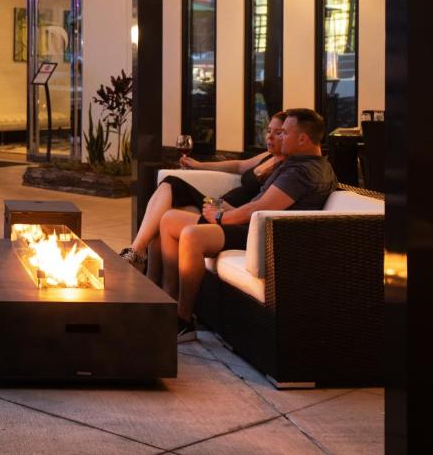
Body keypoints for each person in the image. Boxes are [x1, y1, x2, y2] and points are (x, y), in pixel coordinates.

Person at [159, 108, 338, 342]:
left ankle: (183, 321)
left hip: (266, 236)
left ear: (303, 139)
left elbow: (260, 208)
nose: (279, 137)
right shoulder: (300, 163)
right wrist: (227, 210)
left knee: (193, 235)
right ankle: (168, 302)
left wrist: (221, 217)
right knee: (169, 219)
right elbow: (257, 200)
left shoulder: (303, 172)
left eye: (284, 133)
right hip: (255, 226)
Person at [119, 112, 288, 273]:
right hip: (215, 203)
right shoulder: (268, 156)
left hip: (227, 212)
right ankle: (141, 259)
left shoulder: (286, 170)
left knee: (171, 189)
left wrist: (226, 211)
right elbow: (238, 166)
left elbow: (260, 205)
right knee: (168, 190)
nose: (270, 137)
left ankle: (137, 253)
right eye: (268, 131)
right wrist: (199, 165)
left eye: (278, 132)